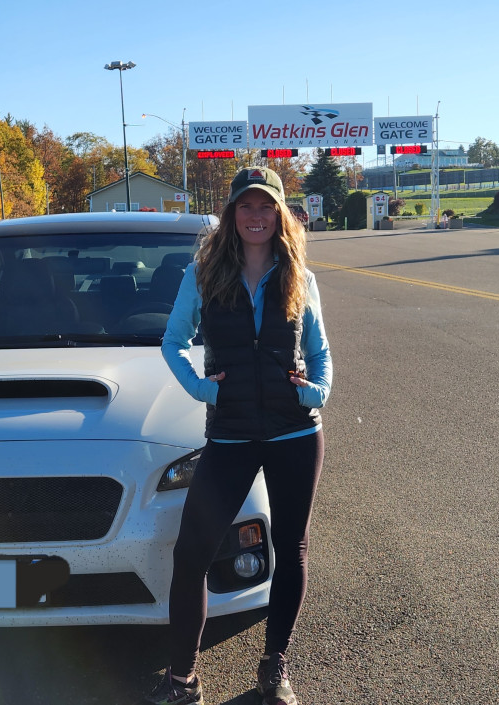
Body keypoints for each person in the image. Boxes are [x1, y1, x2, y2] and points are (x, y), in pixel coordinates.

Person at [148, 167, 332, 705]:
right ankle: (183, 679)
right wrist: (203, 391)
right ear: (231, 214)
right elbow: (172, 343)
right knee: (193, 554)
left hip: (294, 431)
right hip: (228, 436)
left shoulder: (298, 274)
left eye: (266, 206)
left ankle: (275, 667)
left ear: (279, 214)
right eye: (246, 207)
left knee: (290, 548)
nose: (256, 216)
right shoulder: (204, 274)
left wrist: (315, 393)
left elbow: (319, 352)